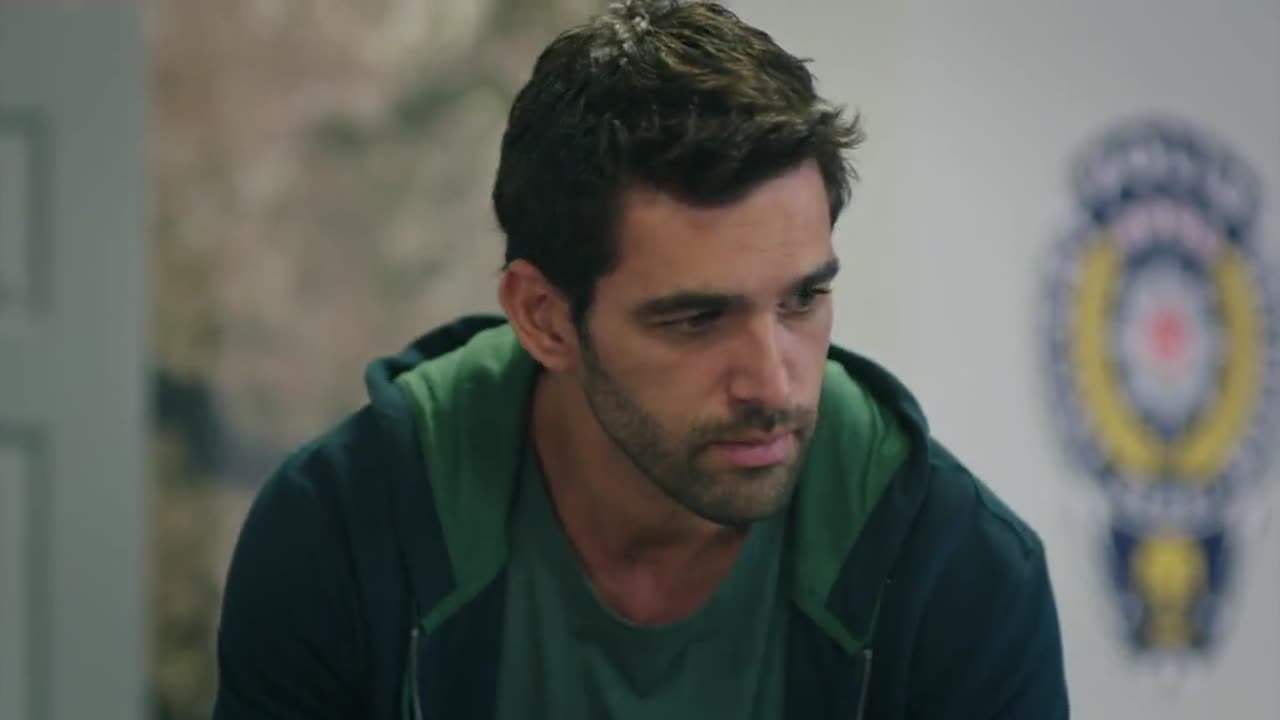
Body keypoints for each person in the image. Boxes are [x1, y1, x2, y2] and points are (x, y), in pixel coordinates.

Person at [211, 1, 1070, 718]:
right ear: (544, 317)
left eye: (802, 300)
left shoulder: (957, 571)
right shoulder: (343, 531)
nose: (773, 383)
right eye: (696, 319)